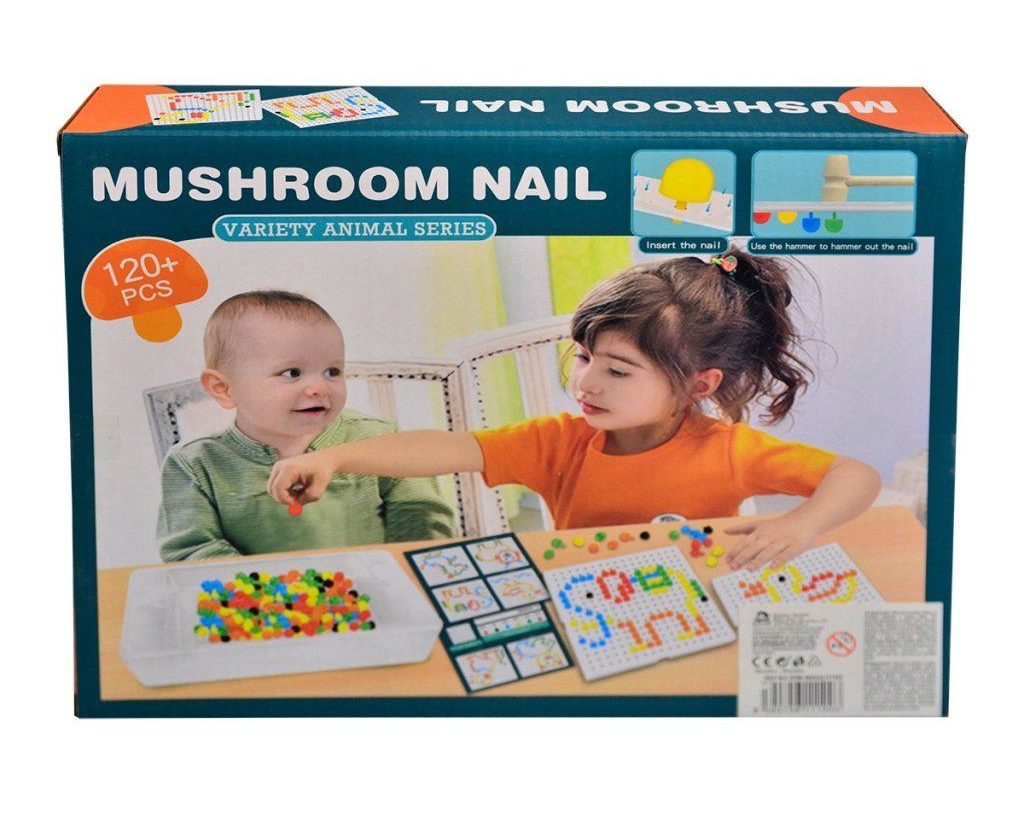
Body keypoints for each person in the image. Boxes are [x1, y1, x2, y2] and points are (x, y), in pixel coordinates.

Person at [266, 253, 881, 571]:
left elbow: (855, 476)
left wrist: (801, 525)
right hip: (585, 600)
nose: (585, 381)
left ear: (698, 383)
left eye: (618, 370)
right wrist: (334, 457)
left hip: (696, 607)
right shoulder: (559, 442)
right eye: (584, 357)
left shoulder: (728, 451)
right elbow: (445, 448)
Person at [157, 290, 454, 561]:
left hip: (375, 591)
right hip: (263, 599)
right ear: (223, 388)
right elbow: (192, 550)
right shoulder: (194, 464)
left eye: (332, 371)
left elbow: (422, 519)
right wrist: (267, 590)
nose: (320, 387)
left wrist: (401, 574)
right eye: (292, 373)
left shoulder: (379, 439)